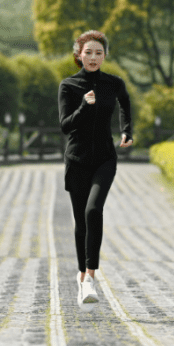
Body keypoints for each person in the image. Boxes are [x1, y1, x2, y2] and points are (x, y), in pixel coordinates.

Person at [58, 30, 133, 305]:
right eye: (88, 52)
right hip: (77, 160)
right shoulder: (68, 86)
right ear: (79, 54)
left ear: (104, 56)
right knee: (81, 221)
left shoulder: (113, 83)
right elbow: (66, 126)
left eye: (98, 53)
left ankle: (90, 277)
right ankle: (81, 277)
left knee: (93, 210)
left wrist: (126, 130)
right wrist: (84, 106)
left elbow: (124, 102)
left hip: (104, 159)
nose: (93, 57)